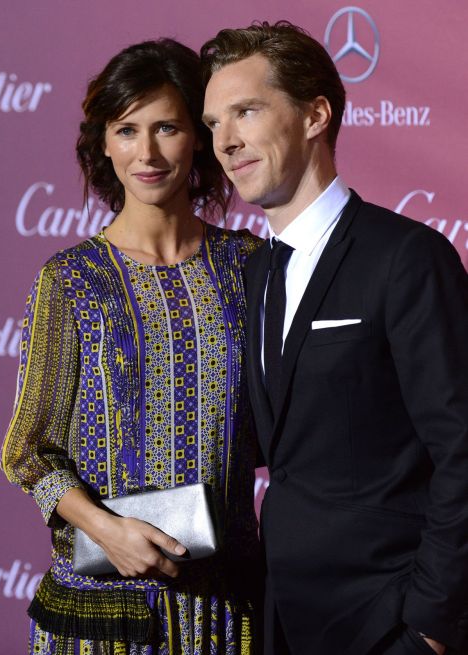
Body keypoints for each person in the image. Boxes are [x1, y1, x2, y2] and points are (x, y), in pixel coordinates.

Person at [201, 20, 468, 655]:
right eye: (213, 123)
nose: (226, 142)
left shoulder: (405, 257)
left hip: (387, 621)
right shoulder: (258, 271)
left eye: (246, 112)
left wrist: (431, 628)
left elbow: (463, 450)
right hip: (284, 621)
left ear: (316, 114)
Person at [1, 39, 263, 655]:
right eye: (126, 130)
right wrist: (107, 530)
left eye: (166, 127)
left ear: (197, 136)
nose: (145, 153)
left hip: (225, 610)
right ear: (104, 143)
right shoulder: (70, 280)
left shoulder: (250, 268)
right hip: (102, 616)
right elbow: (26, 453)